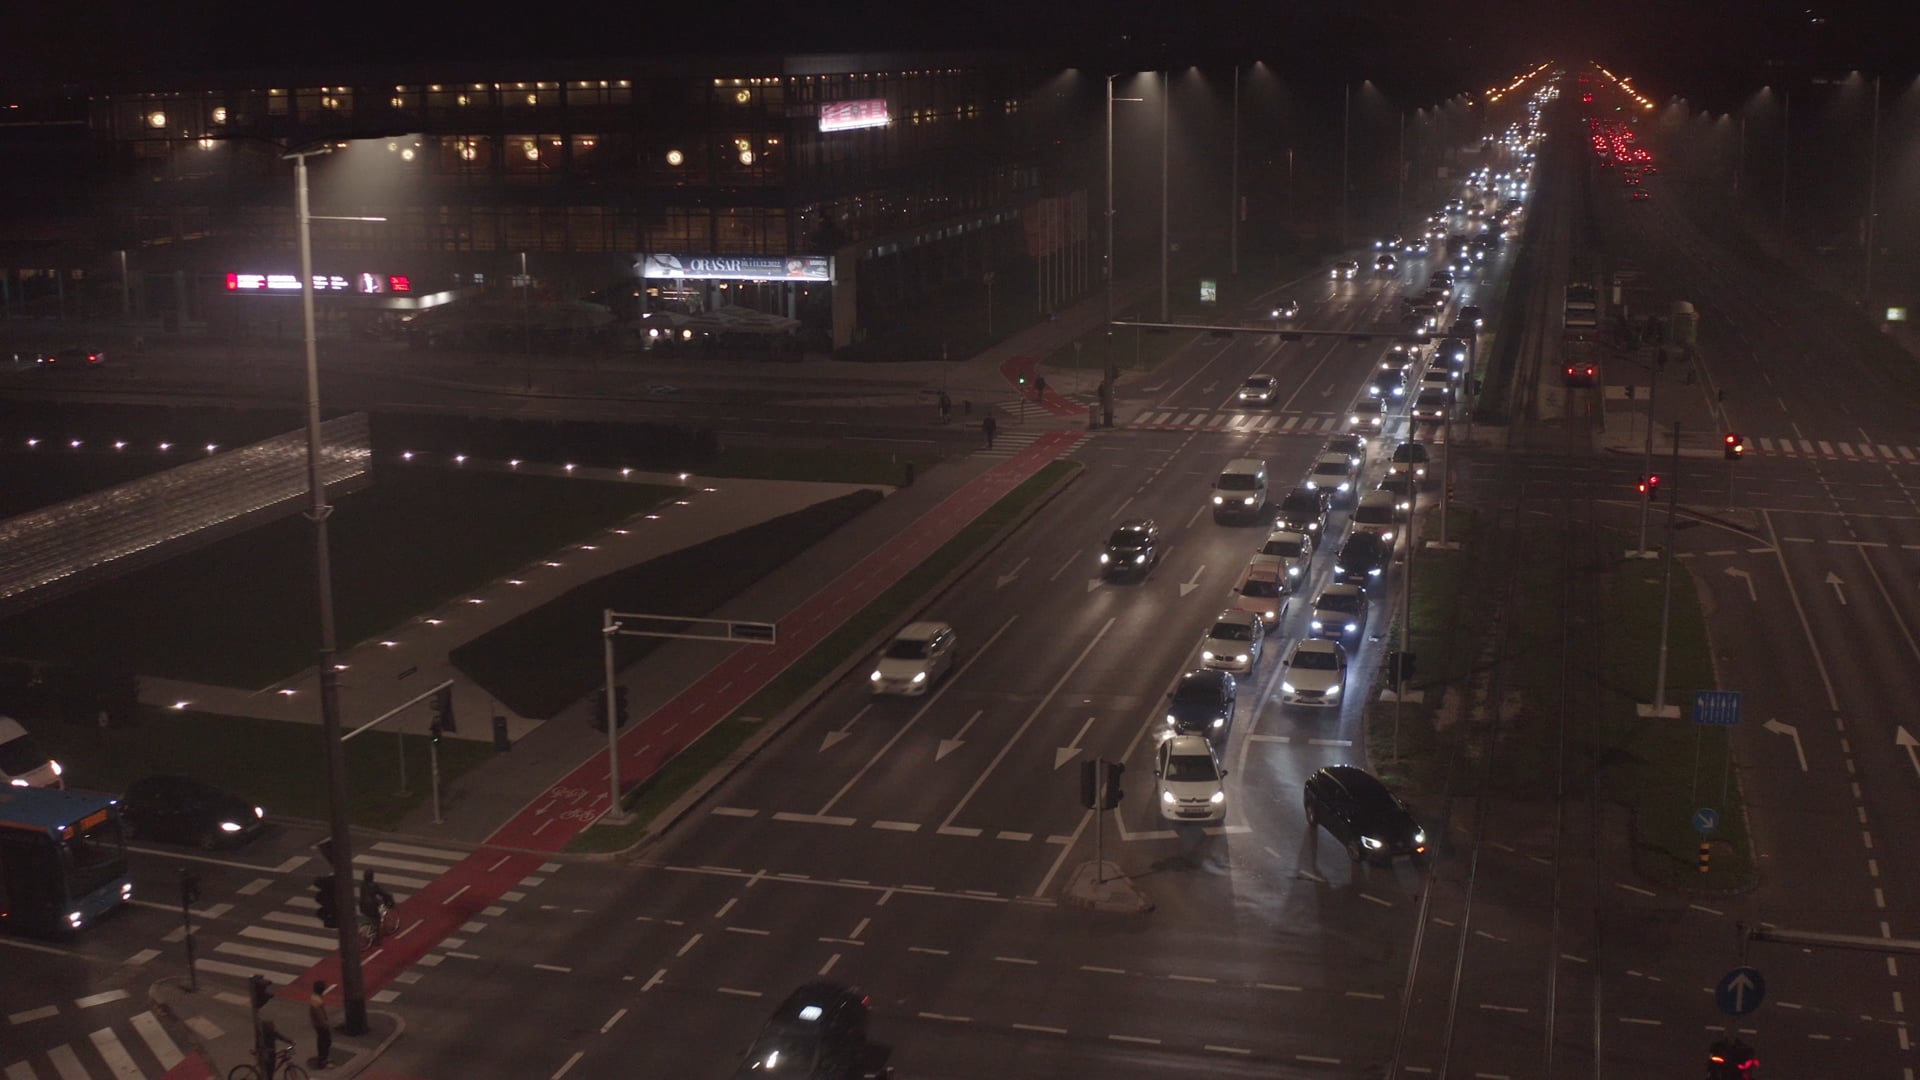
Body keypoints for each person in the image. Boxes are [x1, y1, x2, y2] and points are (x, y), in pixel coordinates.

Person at [308, 981, 333, 1070]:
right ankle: (323, 1061)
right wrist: (325, 1024)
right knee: (325, 1042)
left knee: (322, 1041)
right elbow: (319, 1015)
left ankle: (322, 1059)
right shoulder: (316, 1000)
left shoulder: (315, 997)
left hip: (318, 1024)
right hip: (321, 1025)